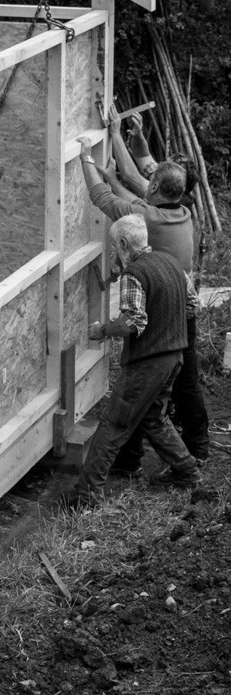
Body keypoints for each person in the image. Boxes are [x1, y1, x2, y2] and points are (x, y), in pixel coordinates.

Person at [80, 126, 209, 466]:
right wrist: (114, 173)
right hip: (184, 308)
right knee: (180, 382)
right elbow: (138, 189)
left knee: (142, 382)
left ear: (156, 188)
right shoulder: (183, 212)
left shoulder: (145, 219)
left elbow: (104, 199)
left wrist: (85, 159)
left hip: (160, 311)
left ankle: (158, 455)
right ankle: (193, 448)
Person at [74, 215, 201, 505]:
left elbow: (133, 322)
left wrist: (103, 331)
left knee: (114, 424)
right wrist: (167, 326)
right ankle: (188, 472)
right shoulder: (171, 263)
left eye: (113, 245)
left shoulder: (136, 274)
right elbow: (193, 305)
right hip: (174, 357)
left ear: (122, 243)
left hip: (147, 363)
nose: (114, 250)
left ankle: (87, 494)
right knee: (154, 419)